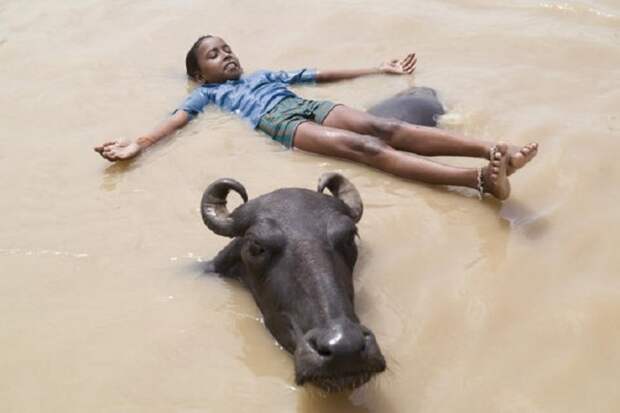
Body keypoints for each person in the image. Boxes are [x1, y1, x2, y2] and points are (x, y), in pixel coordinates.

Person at [94, 35, 538, 200]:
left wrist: (377, 68)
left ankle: (498, 150)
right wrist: (139, 143)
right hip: (281, 124)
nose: (226, 56)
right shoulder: (208, 96)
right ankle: (479, 181)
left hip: (306, 107)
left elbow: (318, 75)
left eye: (228, 48)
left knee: (387, 127)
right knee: (368, 149)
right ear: (198, 73)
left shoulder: (265, 73)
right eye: (213, 54)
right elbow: (175, 121)